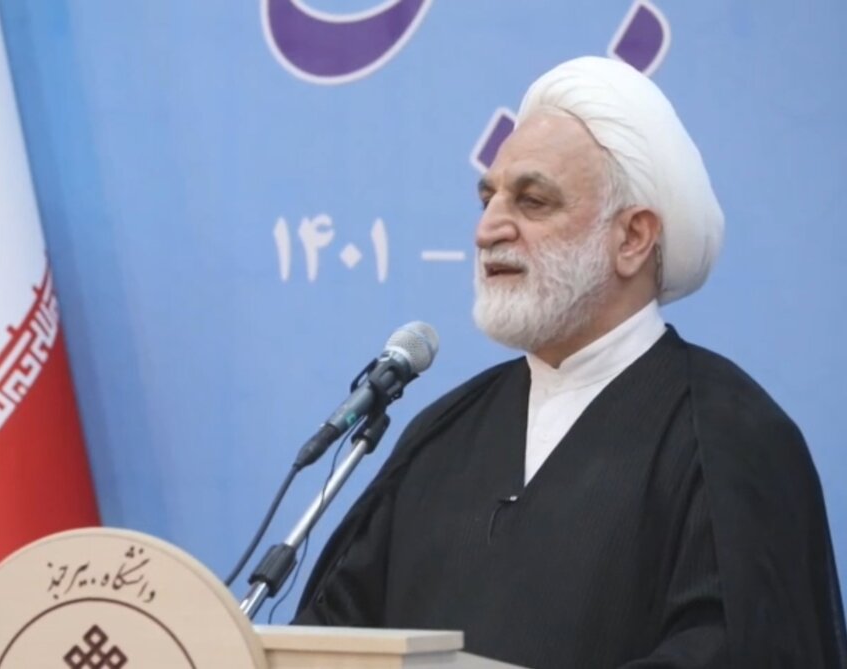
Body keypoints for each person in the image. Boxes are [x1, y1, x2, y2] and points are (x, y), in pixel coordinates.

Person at [292, 56, 847, 669]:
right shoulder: (444, 432)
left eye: (532, 201)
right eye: (488, 198)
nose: (488, 229)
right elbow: (332, 641)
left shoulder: (730, 437)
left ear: (632, 238)